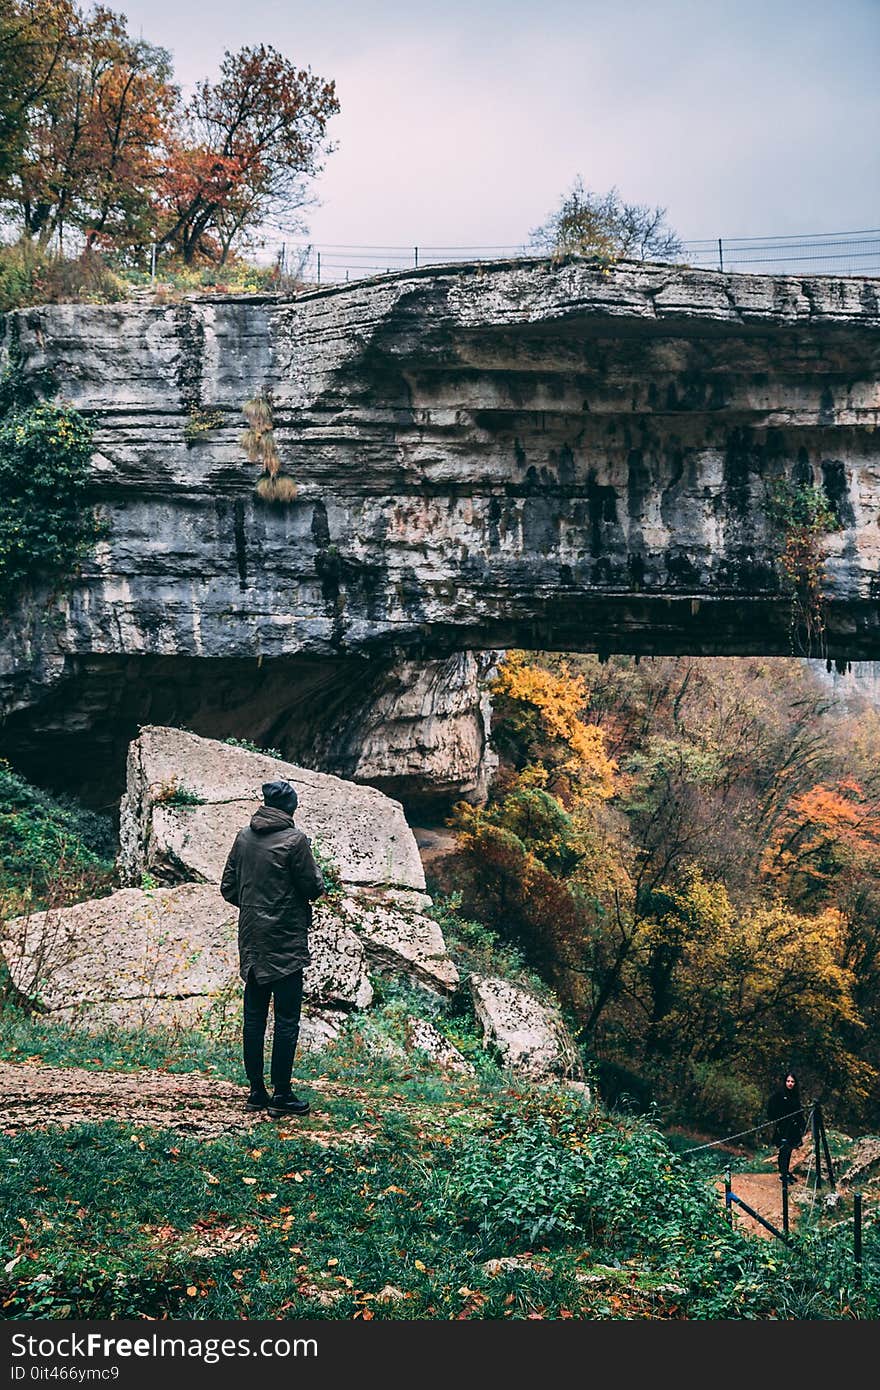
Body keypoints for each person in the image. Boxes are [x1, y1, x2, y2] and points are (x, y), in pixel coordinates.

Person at [220, 779, 324, 1117]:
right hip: (285, 943)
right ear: (290, 808)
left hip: (252, 940)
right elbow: (313, 887)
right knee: (286, 1020)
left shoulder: (243, 837)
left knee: (253, 1018)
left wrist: (253, 907)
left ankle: (255, 1093)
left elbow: (228, 888)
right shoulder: (295, 841)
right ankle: (282, 1095)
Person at [767, 1069, 807, 1184]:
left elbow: (799, 1112)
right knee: (783, 1150)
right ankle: (783, 1173)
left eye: (792, 1082)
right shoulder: (779, 1095)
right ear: (785, 1082)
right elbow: (771, 1109)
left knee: (789, 1150)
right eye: (788, 1081)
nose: (790, 1083)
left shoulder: (795, 1096)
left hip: (793, 1128)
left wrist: (802, 1125)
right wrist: (776, 1119)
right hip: (783, 1127)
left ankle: (786, 1171)